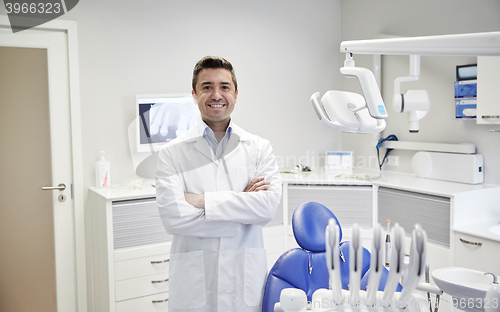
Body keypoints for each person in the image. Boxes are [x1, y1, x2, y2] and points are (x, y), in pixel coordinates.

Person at [155, 56, 282, 312]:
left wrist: (202, 201)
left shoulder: (259, 148)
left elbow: (267, 209)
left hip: (243, 279)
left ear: (236, 93)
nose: (216, 94)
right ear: (194, 94)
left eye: (224, 87)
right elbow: (173, 218)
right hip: (194, 284)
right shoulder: (171, 153)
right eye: (206, 86)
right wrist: (243, 204)